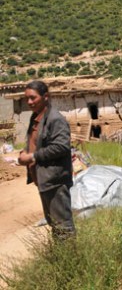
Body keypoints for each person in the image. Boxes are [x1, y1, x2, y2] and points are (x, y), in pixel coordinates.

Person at [18, 80, 76, 240]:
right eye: (27, 98)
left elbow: (62, 146)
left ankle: (72, 261)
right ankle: (63, 259)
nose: (29, 102)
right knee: (54, 224)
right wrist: (26, 151)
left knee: (64, 227)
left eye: (33, 98)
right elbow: (36, 141)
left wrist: (32, 156)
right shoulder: (36, 117)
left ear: (45, 97)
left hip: (56, 181)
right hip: (44, 181)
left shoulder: (55, 119)